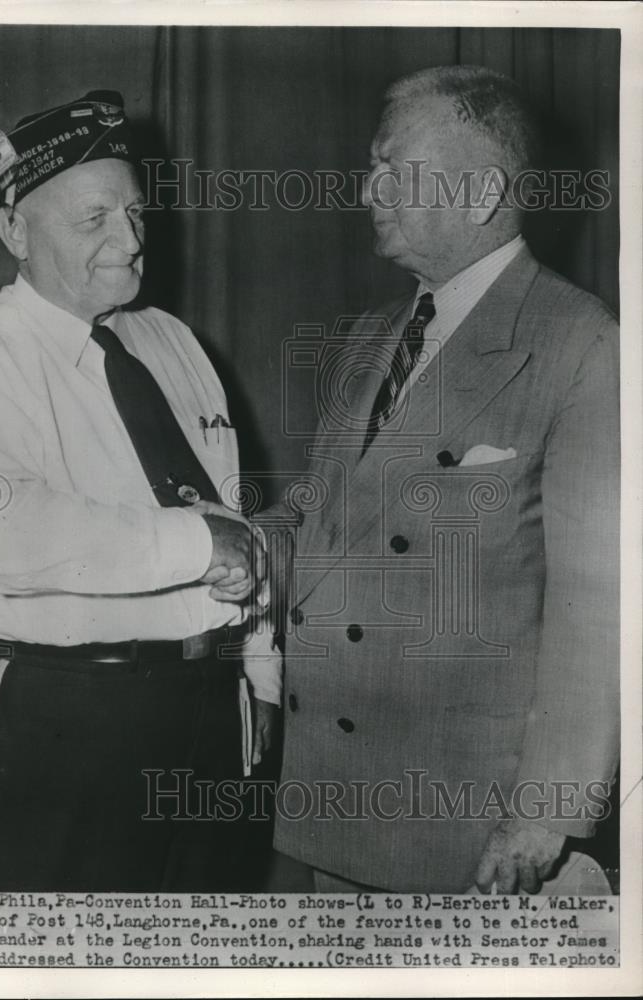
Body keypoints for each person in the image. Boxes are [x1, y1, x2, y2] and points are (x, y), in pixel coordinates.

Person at [0, 90, 280, 892]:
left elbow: (234, 524)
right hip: (58, 716)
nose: (130, 241)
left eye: (136, 215)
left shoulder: (171, 340)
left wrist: (258, 673)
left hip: (210, 710)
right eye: (93, 219)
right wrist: (195, 544)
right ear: (14, 231)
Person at [273, 65, 619, 894]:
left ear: (480, 192)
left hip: (468, 820)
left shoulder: (582, 344)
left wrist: (547, 809)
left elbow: (597, 600)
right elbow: (325, 521)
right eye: (371, 165)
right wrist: (251, 545)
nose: (369, 188)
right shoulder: (370, 337)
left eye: (396, 168)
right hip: (334, 796)